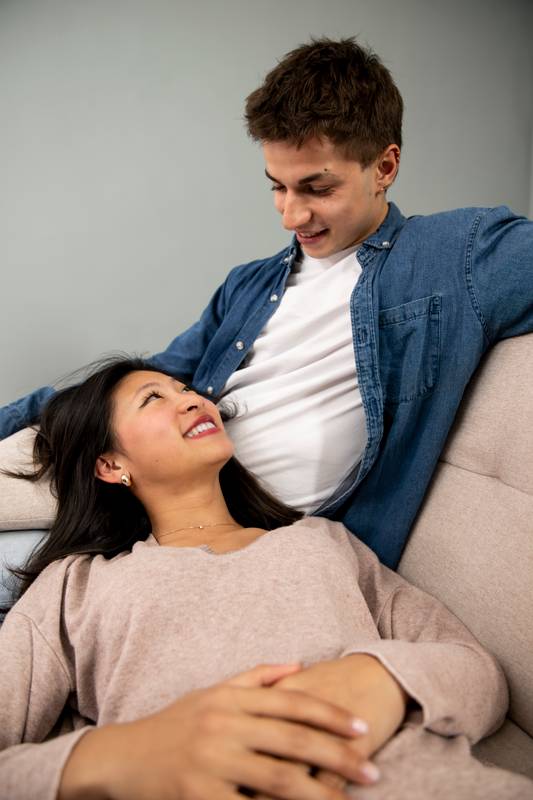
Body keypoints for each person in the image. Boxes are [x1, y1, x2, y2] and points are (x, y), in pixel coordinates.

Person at [0, 38, 532, 571]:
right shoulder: (250, 285)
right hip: (155, 512)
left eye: (317, 188)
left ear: (385, 166)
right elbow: (144, 382)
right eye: (277, 187)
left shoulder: (458, 254)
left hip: (267, 551)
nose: (290, 216)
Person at [0, 356, 531, 800]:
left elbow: (477, 672)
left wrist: (383, 680)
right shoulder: (78, 583)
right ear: (111, 465)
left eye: (186, 388)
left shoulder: (319, 540)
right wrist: (120, 755)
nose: (192, 399)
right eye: (152, 399)